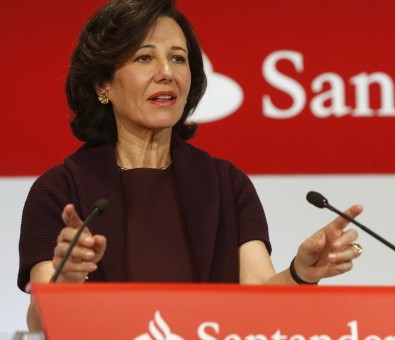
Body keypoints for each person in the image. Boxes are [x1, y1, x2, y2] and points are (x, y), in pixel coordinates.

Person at [17, 0, 363, 332]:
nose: (166, 73)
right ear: (102, 83)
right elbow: (39, 322)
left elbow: (260, 300)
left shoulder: (226, 184)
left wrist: (301, 274)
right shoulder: (61, 191)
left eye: (178, 59)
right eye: (144, 58)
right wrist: (67, 280)